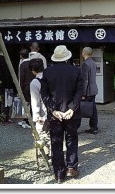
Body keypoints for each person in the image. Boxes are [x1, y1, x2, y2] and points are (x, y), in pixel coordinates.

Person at [40, 45, 83, 183]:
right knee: (71, 138)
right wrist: (72, 108)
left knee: (56, 142)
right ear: (67, 57)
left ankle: (59, 173)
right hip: (72, 113)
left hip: (55, 114)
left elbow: (44, 94)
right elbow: (79, 92)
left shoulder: (47, 73)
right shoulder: (76, 71)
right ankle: (71, 167)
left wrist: (53, 110)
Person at [0, 46, 15, 124]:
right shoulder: (6, 60)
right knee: (5, 101)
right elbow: (7, 74)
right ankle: (4, 118)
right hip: (5, 83)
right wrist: (10, 85)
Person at [29, 58, 48, 139]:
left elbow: (35, 101)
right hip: (54, 110)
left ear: (32, 70)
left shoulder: (34, 82)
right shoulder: (50, 77)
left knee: (42, 137)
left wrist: (36, 117)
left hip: (42, 113)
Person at [81, 47, 99, 134]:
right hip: (94, 88)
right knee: (93, 109)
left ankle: (75, 127)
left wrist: (83, 93)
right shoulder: (93, 63)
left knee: (81, 108)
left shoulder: (85, 64)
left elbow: (85, 80)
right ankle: (94, 127)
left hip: (88, 90)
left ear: (84, 53)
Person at [19, 48, 34, 129]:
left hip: (26, 86)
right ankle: (28, 119)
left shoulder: (22, 65)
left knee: (26, 104)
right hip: (34, 85)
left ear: (21, 56)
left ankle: (27, 120)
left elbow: (21, 78)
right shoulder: (32, 63)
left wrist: (19, 89)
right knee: (32, 104)